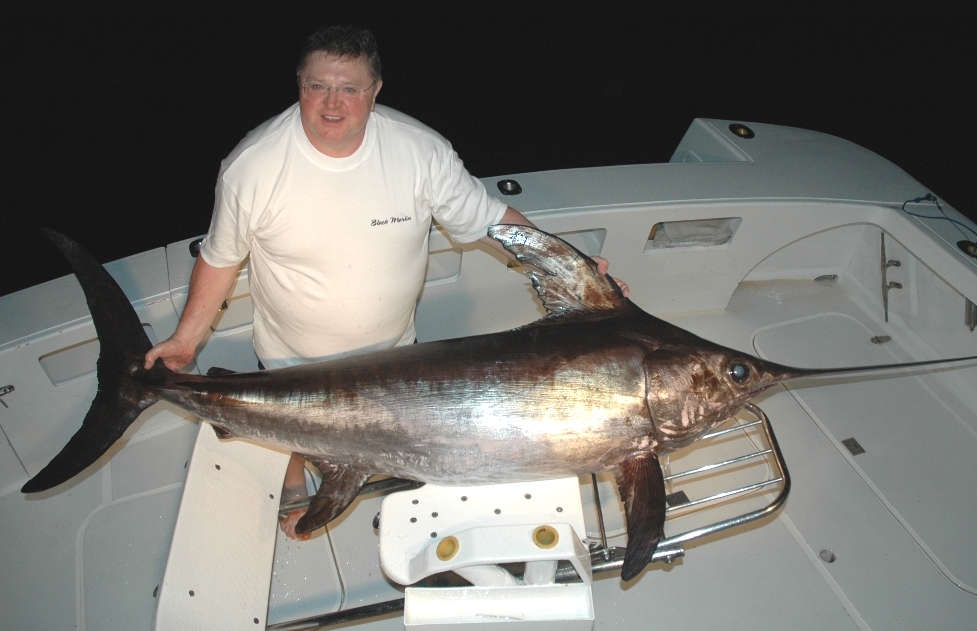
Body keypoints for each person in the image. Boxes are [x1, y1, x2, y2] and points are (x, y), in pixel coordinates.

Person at [144, 25, 626, 540]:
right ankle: (292, 462)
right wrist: (186, 339)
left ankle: (362, 470)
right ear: (298, 84)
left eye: (349, 88)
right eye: (317, 86)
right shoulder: (252, 167)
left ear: (375, 90)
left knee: (401, 450)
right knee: (290, 430)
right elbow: (221, 258)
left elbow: (490, 220)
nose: (332, 103)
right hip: (292, 358)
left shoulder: (419, 151)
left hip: (395, 357)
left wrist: (567, 265)